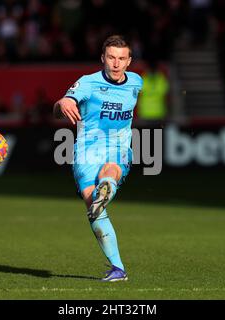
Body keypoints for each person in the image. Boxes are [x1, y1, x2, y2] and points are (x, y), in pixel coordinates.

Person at [53, 35, 143, 282]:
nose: (116, 63)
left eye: (122, 59)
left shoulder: (136, 82)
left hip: (118, 147)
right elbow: (65, 103)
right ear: (103, 58)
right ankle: (118, 269)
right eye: (111, 57)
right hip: (86, 152)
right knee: (94, 209)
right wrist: (62, 102)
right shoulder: (87, 83)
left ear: (129, 61)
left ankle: (108, 186)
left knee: (111, 168)